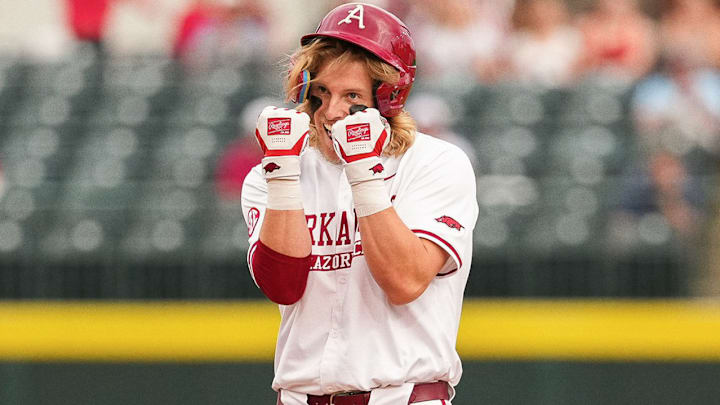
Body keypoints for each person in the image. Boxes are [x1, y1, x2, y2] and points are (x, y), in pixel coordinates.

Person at [240, 3, 478, 404]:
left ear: (387, 98)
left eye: (352, 96)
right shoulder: (274, 171)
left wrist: (364, 171)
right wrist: (282, 176)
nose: (331, 112)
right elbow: (283, 285)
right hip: (300, 396)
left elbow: (405, 282)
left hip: (401, 395)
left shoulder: (435, 162)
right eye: (320, 93)